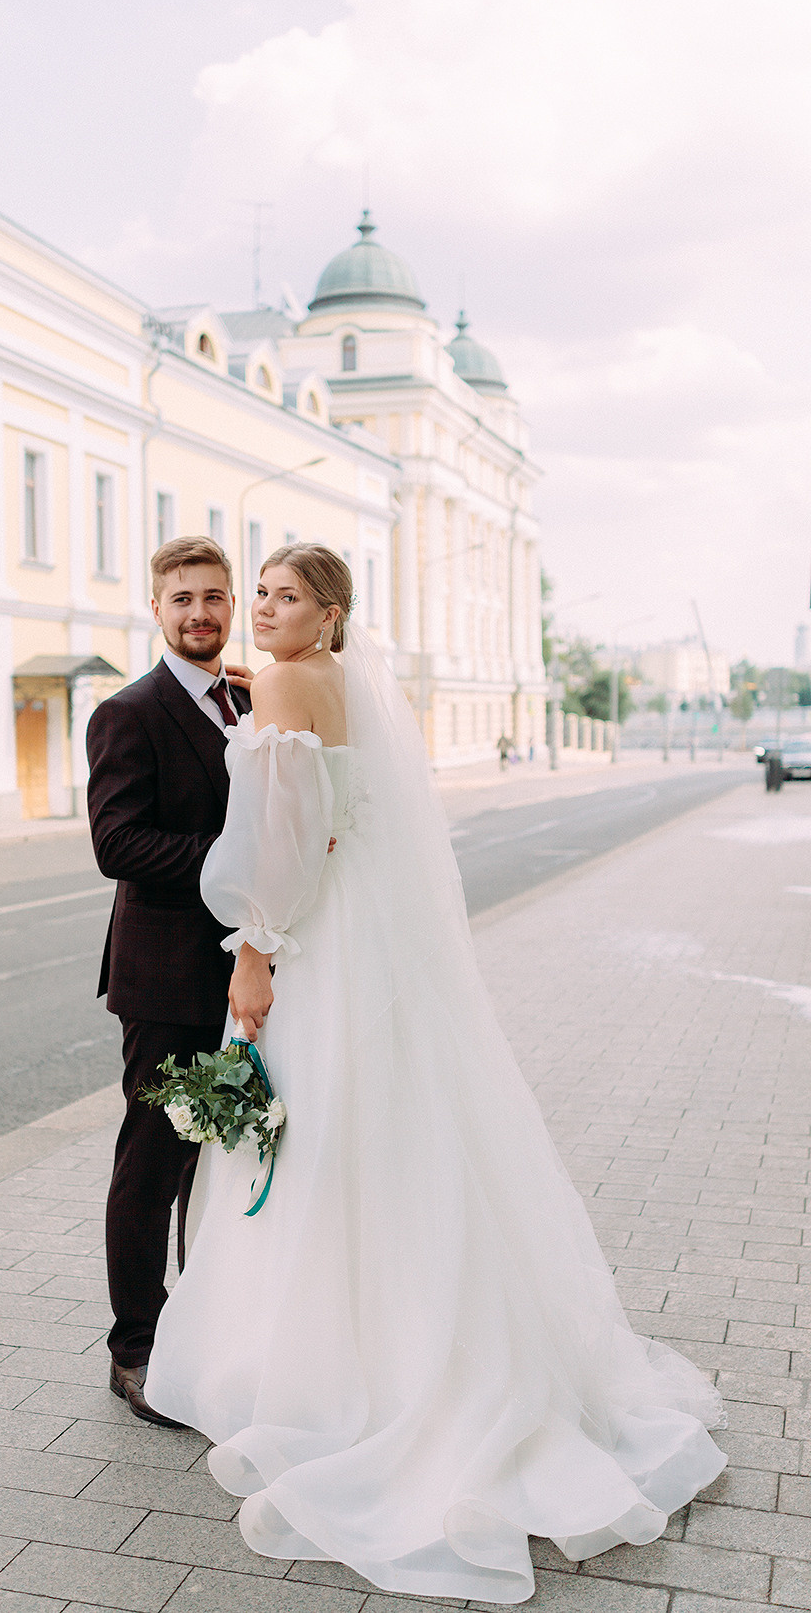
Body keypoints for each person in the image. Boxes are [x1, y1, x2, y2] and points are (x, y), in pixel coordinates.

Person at [144, 543, 727, 1605]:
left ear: (328, 613)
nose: (259, 608)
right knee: (392, 1133)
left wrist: (255, 950)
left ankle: (331, 1377)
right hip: (373, 943)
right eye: (257, 593)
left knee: (320, 1144)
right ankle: (435, 1343)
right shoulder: (338, 683)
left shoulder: (280, 680)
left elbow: (281, 840)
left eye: (282, 596)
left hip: (310, 942)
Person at [86, 535, 251, 1428]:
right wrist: (239, 864)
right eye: (183, 599)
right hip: (167, 977)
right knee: (152, 1163)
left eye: (214, 598)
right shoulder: (129, 711)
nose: (200, 614)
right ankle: (135, 1349)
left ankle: (208, 1329)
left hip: (251, 975)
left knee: (224, 1163)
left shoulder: (249, 699)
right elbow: (119, 845)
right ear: (156, 609)